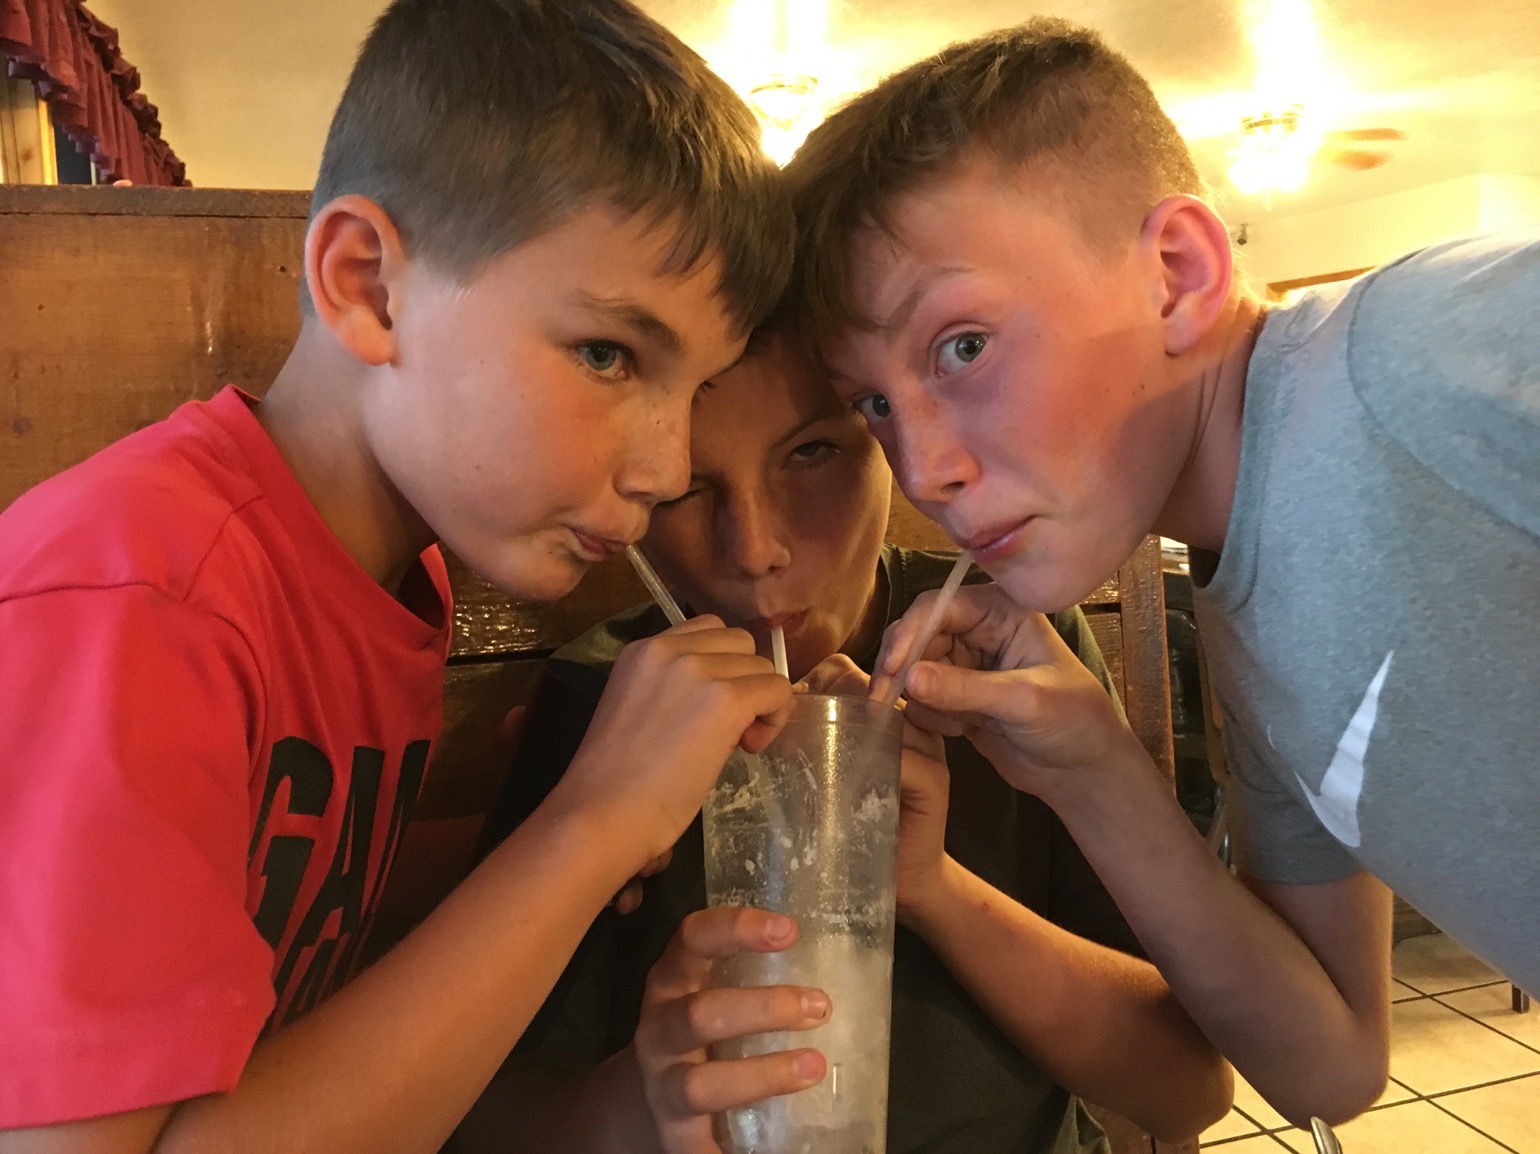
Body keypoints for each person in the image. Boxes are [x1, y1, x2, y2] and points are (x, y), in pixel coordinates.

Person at [0, 1, 796, 1148]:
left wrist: (624, 1098)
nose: (667, 467)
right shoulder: (141, 597)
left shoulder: (391, 576)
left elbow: (301, 1034)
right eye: (609, 354)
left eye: (694, 388)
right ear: (367, 284)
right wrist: (592, 823)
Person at [780, 15, 1539, 1128]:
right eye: (874, 405)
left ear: (1178, 274)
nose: (923, 470)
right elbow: (1328, 1066)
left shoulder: (1413, 349)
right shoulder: (1244, 611)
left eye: (962, 346)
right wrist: (1091, 765)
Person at [457, 329, 1231, 1154]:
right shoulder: (606, 701)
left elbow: (1188, 1092)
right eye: (687, 484)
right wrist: (638, 1107)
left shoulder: (1005, 654)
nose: (756, 550)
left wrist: (934, 889)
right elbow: (486, 1115)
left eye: (812, 452)